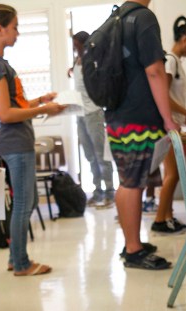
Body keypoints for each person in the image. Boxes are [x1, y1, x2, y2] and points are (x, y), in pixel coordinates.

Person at [0, 4, 66, 276]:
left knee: (28, 201)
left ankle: (15, 258)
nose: (17, 33)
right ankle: (22, 263)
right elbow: (6, 113)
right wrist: (44, 109)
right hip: (15, 143)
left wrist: (40, 100)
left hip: (16, 141)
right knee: (24, 203)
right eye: (14, 27)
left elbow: (14, 105)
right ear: (0, 29)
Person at [105, 0, 177, 270]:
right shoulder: (143, 18)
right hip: (139, 118)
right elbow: (155, 71)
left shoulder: (116, 18)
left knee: (126, 181)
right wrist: (168, 118)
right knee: (133, 183)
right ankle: (134, 250)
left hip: (116, 116)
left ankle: (130, 243)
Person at [151, 16, 186, 235]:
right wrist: (185, 112)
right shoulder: (170, 60)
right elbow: (163, 94)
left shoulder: (175, 62)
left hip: (175, 125)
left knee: (172, 174)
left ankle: (168, 216)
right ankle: (160, 220)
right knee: (172, 174)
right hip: (168, 125)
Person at [69, 31, 115, 208]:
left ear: (85, 44)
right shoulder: (77, 61)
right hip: (80, 114)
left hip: (94, 113)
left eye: (77, 45)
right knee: (90, 156)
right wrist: (71, 69)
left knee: (101, 155)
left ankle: (110, 193)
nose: (75, 49)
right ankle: (98, 192)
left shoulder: (93, 61)